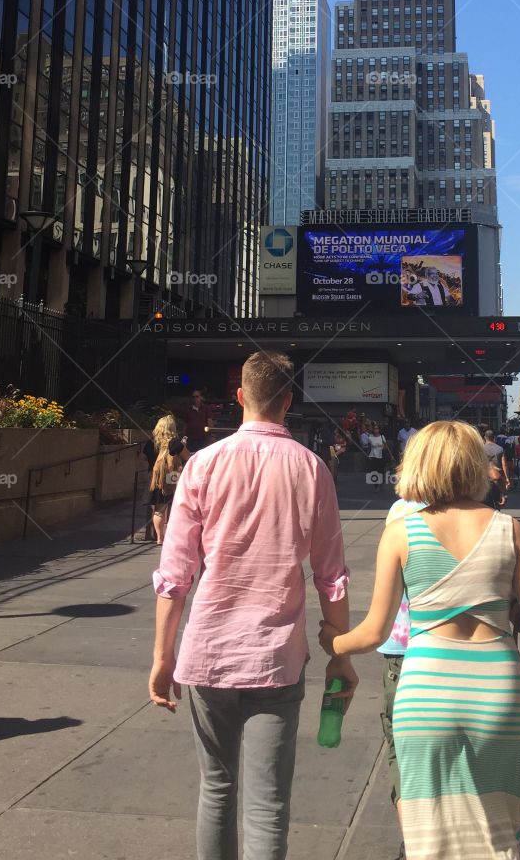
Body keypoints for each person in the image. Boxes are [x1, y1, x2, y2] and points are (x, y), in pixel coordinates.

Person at [150, 350, 358, 860]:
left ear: (239, 397)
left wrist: (162, 656)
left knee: (216, 790)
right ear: (289, 400)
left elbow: (175, 576)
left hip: (208, 653)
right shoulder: (313, 470)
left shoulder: (202, 464)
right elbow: (331, 577)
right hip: (277, 659)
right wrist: (340, 651)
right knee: (268, 804)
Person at [318, 420, 520, 860]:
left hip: (426, 691)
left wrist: (335, 644)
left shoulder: (402, 531)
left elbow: (375, 632)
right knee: (499, 830)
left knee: (430, 836)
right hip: (496, 691)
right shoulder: (509, 528)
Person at [375, 494, 428, 860]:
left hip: (402, 646)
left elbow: (386, 595)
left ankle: (414, 844)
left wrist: (338, 645)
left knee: (403, 749)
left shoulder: (401, 512)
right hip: (458, 649)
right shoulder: (485, 516)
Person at [147, 414, 188, 544]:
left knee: (159, 509)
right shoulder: (175, 443)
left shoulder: (151, 443)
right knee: (173, 504)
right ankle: (172, 535)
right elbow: (187, 456)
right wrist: (183, 445)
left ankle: (159, 537)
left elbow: (147, 459)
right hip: (172, 475)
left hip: (155, 478)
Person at [481, 426, 510, 509]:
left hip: (484, 477)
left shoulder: (481, 449)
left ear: (484, 438)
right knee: (497, 501)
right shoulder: (500, 449)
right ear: (494, 437)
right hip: (497, 477)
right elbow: (504, 464)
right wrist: (507, 478)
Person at [182, 388, 211, 453]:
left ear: (201, 397)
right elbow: (185, 425)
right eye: (193, 397)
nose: (195, 398)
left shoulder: (206, 408)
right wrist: (184, 440)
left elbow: (209, 421)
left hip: (203, 438)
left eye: (197, 396)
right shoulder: (188, 409)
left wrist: (212, 436)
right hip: (191, 439)